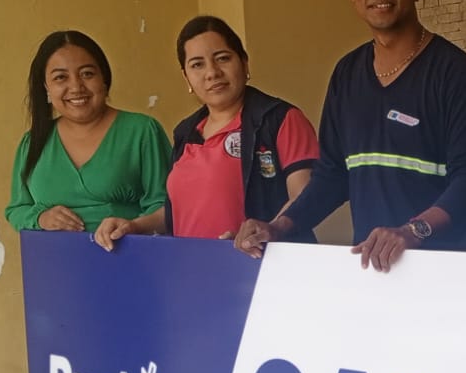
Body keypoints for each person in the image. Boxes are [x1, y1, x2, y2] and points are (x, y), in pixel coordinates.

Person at [233, 0, 466, 272]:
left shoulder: (456, 73)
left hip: (443, 273)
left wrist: (413, 231)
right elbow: (331, 176)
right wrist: (278, 226)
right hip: (373, 272)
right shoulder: (347, 74)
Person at [95, 16, 319, 249]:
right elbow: (177, 213)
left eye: (223, 58)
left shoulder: (280, 119)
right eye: (197, 65)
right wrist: (134, 226)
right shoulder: (186, 132)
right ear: (186, 77)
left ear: (244, 63)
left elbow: (305, 198)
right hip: (191, 264)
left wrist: (268, 230)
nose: (212, 73)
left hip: (258, 264)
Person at [4, 30, 170, 240]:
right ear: (46, 88)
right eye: (60, 77)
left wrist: (133, 227)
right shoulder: (33, 142)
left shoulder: (142, 131)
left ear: (104, 79)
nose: (76, 87)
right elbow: (16, 210)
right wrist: (40, 218)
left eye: (87, 74)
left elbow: (166, 206)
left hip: (129, 256)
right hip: (53, 260)